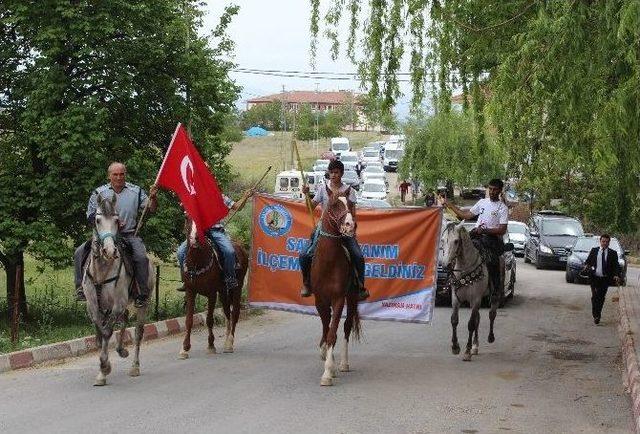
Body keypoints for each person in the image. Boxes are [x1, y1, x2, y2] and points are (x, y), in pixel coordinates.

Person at [73, 162, 158, 308]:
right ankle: (80, 288)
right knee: (79, 252)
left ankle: (141, 294)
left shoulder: (136, 191)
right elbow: (90, 215)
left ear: (125, 174)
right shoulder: (98, 193)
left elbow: (151, 209)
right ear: (109, 176)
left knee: (141, 257)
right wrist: (111, 223)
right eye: (115, 174)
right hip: (103, 236)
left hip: (129, 235)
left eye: (122, 174)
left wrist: (154, 198)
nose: (119, 177)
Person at [298, 159, 369, 301]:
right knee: (304, 255)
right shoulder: (323, 188)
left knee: (358, 256)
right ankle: (307, 283)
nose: (333, 175)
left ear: (341, 173)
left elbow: (353, 213)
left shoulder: (350, 191)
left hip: (344, 229)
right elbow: (311, 207)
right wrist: (307, 195)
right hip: (324, 229)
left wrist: (350, 225)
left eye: (336, 172)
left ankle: (360, 286)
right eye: (331, 172)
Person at [176, 190, 254, 293]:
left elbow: (236, 207)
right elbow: (188, 217)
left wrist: (245, 197)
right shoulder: (193, 197)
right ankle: (185, 281)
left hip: (216, 230)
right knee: (181, 252)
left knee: (229, 251)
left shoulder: (219, 196)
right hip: (199, 232)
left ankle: (230, 278)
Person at [440, 179, 508, 295]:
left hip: (491, 239)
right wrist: (450, 205)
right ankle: (449, 283)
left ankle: (495, 290)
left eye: (495, 190)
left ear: (500, 191)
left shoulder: (502, 208)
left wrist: (485, 230)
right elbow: (465, 215)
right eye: (490, 189)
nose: (492, 192)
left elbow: (502, 229)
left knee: (492, 260)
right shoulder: (482, 202)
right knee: (456, 249)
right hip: (476, 234)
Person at [582, 234, 621, 324]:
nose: (605, 243)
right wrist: (586, 267)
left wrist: (616, 275)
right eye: (603, 241)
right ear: (600, 241)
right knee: (595, 296)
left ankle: (597, 314)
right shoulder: (594, 251)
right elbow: (588, 261)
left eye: (607, 242)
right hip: (594, 277)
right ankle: (596, 314)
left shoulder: (613, 253)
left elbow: (616, 266)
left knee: (601, 297)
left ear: (609, 243)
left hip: (605, 279)